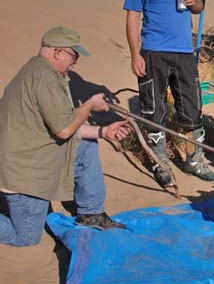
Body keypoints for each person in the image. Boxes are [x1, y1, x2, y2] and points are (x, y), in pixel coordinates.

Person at [0, 27, 130, 247]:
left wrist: (103, 131)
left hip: (25, 155)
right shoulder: (45, 78)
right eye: (73, 55)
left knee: (85, 146)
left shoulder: (38, 69)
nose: (75, 62)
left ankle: (91, 213)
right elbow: (64, 130)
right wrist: (89, 106)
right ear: (57, 52)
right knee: (26, 237)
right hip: (22, 172)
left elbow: (63, 125)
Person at [123, 0, 214, 186]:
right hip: (154, 52)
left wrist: (193, 2)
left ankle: (195, 160)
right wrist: (135, 54)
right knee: (154, 109)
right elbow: (132, 17)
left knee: (191, 107)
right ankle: (160, 161)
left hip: (184, 51)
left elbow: (199, 7)